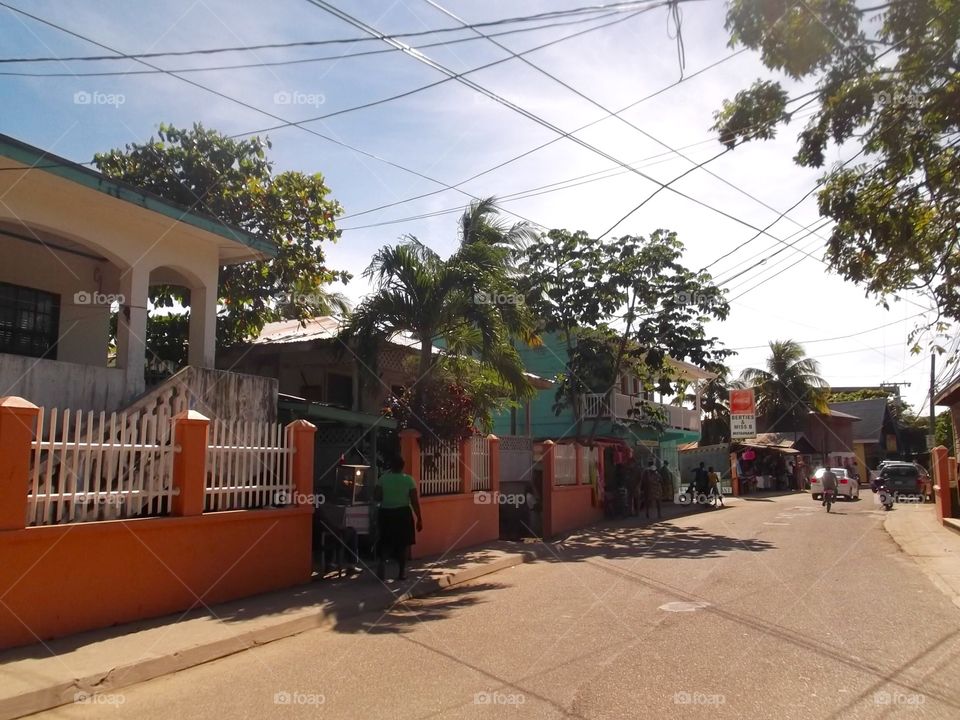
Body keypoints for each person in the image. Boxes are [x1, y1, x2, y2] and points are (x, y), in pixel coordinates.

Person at [374, 456, 423, 581]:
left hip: (386, 513)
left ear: (391, 466)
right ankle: (401, 572)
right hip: (403, 514)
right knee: (403, 543)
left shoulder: (383, 479)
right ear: (402, 466)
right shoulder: (409, 480)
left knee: (385, 540)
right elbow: (414, 501)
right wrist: (419, 518)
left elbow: (377, 497)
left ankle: (382, 562)